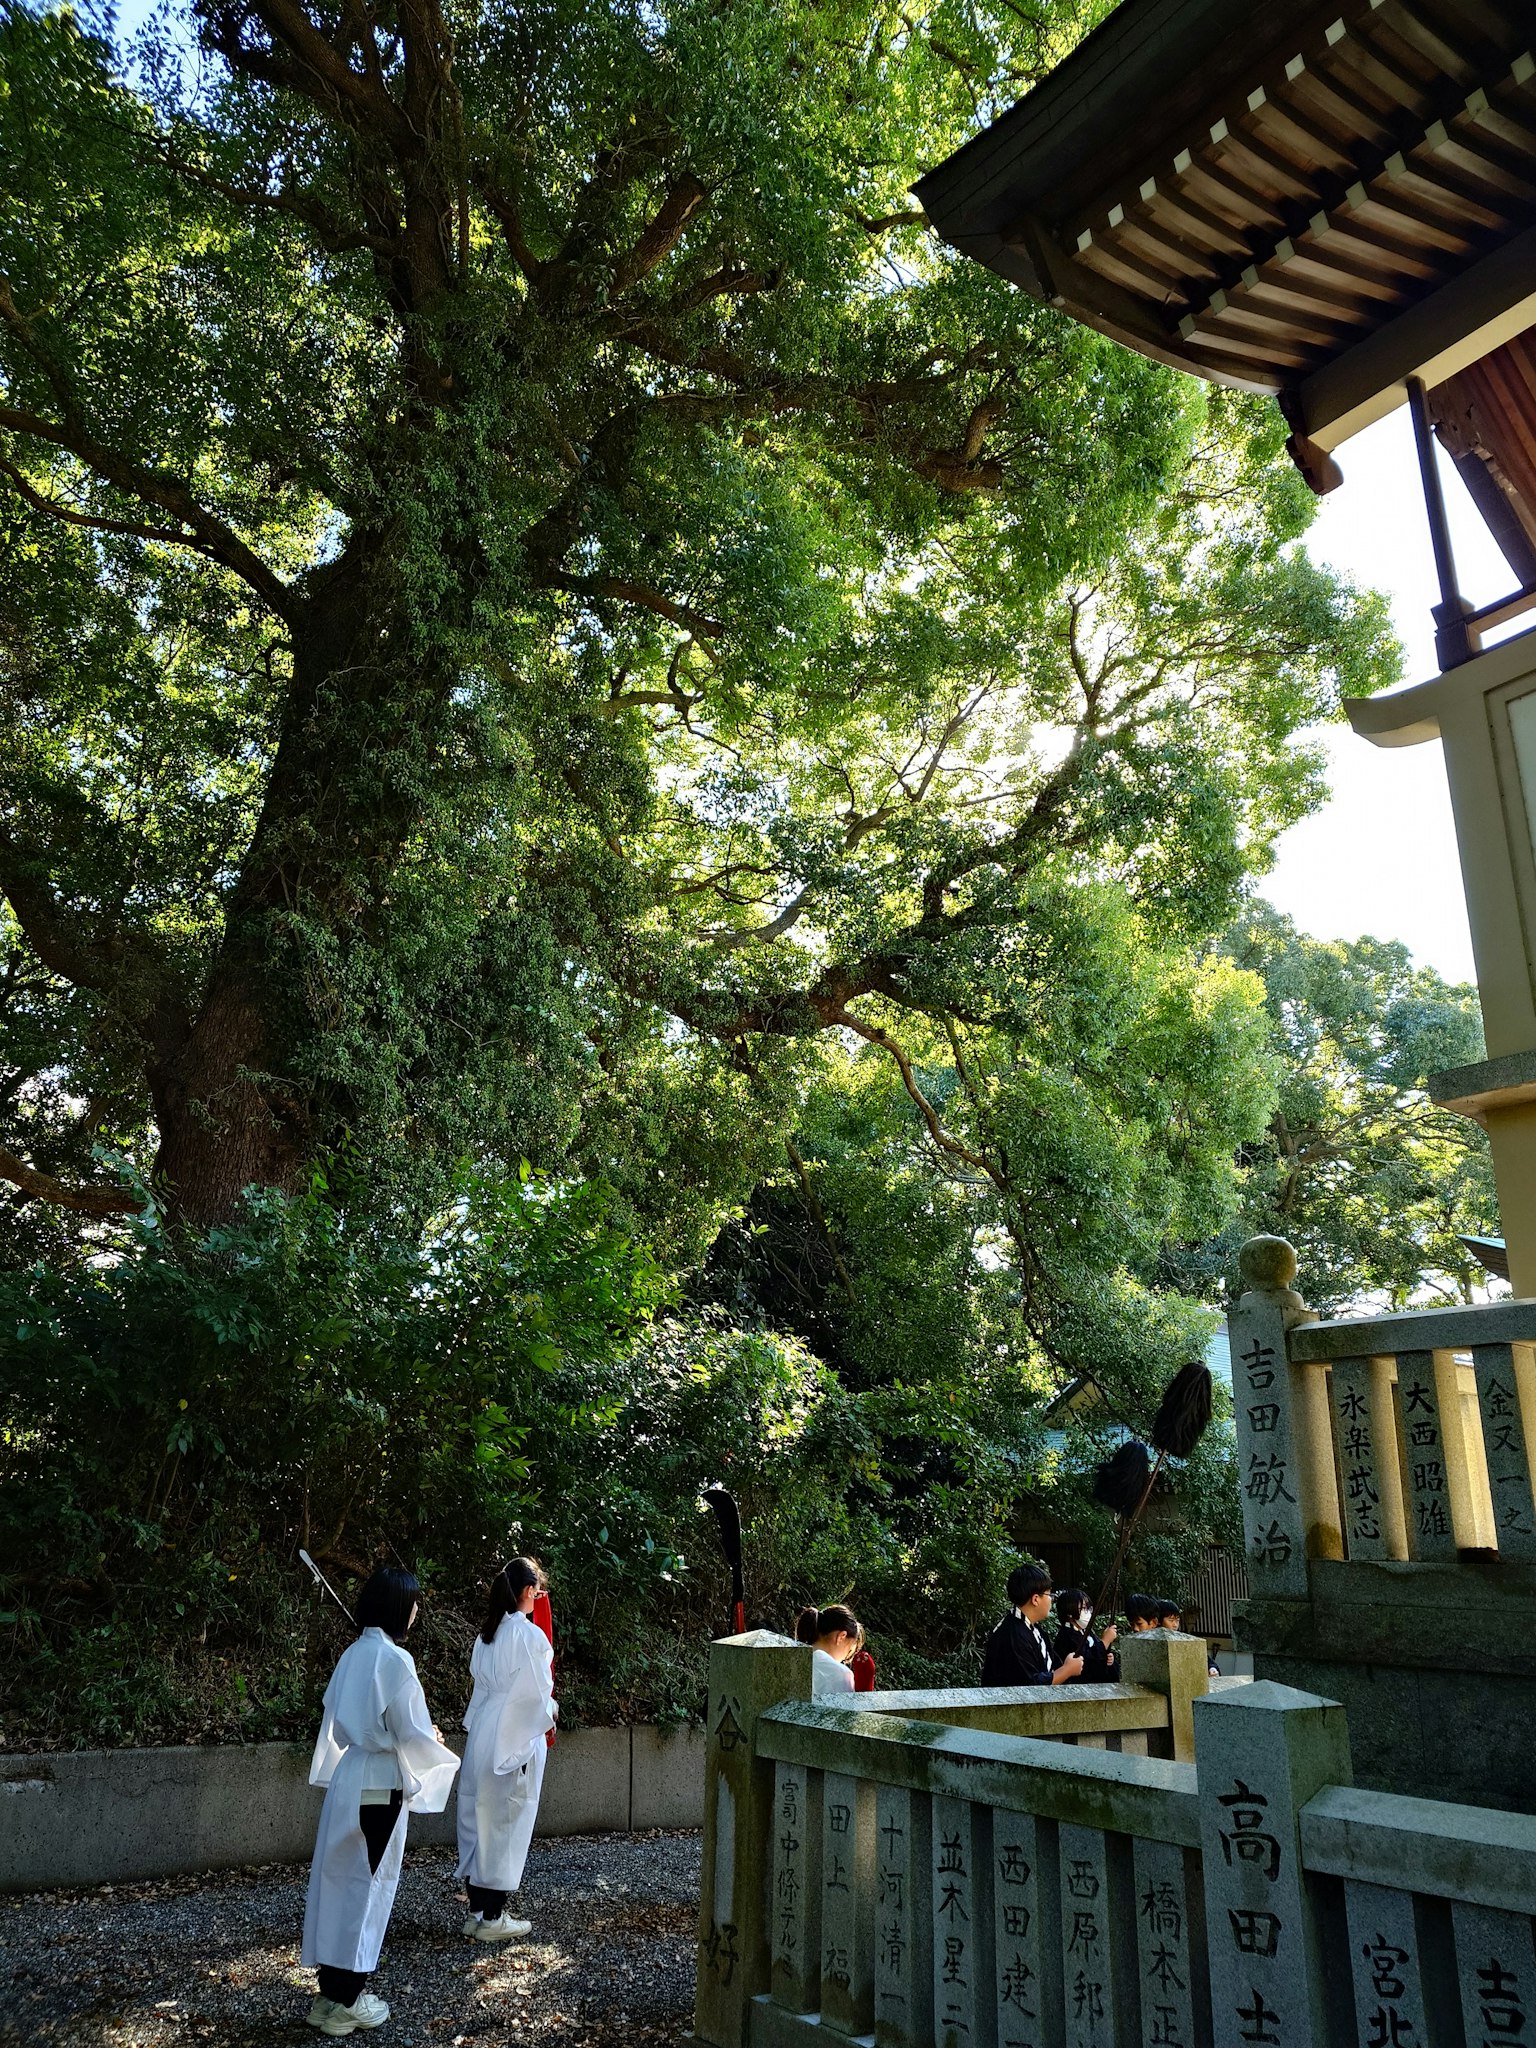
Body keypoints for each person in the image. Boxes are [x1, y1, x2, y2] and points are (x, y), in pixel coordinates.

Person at [302, 1566, 459, 2038]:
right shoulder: (395, 1661)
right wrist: (433, 1739)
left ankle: (330, 1994)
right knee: (369, 1884)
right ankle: (349, 1998)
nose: (416, 1610)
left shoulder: (352, 1654)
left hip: (350, 1775)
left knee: (338, 1879)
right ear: (397, 1607)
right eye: (413, 1601)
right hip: (380, 1781)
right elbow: (410, 1732)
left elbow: (336, 1722)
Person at [456, 1557, 558, 1942]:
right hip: (512, 1732)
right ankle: (493, 1916)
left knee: (478, 1818)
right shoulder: (529, 1636)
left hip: (484, 1729)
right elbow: (535, 1694)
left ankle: (478, 1910)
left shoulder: (487, 1635)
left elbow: (482, 1692)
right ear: (530, 1592)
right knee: (505, 1821)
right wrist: (550, 1713)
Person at [981, 1564, 1084, 1686]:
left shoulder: (1032, 1629)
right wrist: (1066, 1671)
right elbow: (1029, 1685)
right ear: (1035, 1599)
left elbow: (1054, 1666)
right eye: (1049, 1595)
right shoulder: (1012, 1634)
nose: (1051, 1600)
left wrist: (1069, 1666)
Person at [1051, 1587, 1119, 1682]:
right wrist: (1104, 1643)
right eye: (1083, 1608)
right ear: (1069, 1613)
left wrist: (1107, 1659)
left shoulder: (1087, 1632)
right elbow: (1085, 1662)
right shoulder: (1066, 1636)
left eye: (1088, 1608)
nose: (1087, 1612)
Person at [795, 1604, 862, 1693]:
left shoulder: (789, 1657)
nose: (843, 1659)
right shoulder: (840, 1674)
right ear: (841, 1637)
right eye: (849, 1650)